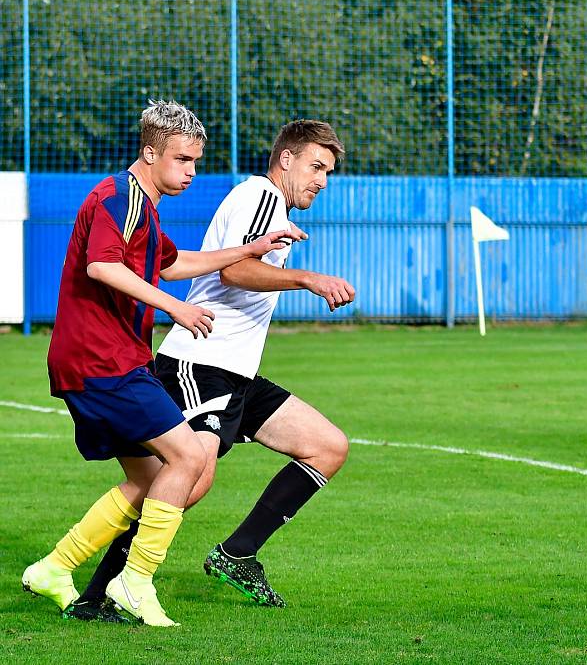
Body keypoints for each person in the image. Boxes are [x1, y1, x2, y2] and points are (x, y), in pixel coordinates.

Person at [58, 119, 355, 621]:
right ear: (287, 159)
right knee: (187, 479)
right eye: (316, 166)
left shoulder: (272, 205)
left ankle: (237, 554)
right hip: (202, 363)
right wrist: (307, 278)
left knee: (327, 447)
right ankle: (99, 592)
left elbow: (195, 263)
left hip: (234, 370)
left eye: (328, 171)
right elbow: (234, 272)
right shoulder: (262, 195)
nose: (322, 180)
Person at [21, 100, 297, 627]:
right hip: (102, 361)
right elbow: (101, 266)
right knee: (190, 459)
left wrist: (252, 248)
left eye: (196, 161)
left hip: (115, 360)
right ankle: (135, 581)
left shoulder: (144, 209)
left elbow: (175, 264)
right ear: (151, 153)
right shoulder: (119, 196)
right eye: (183, 160)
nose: (192, 172)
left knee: (150, 480)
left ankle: (56, 568)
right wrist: (176, 308)